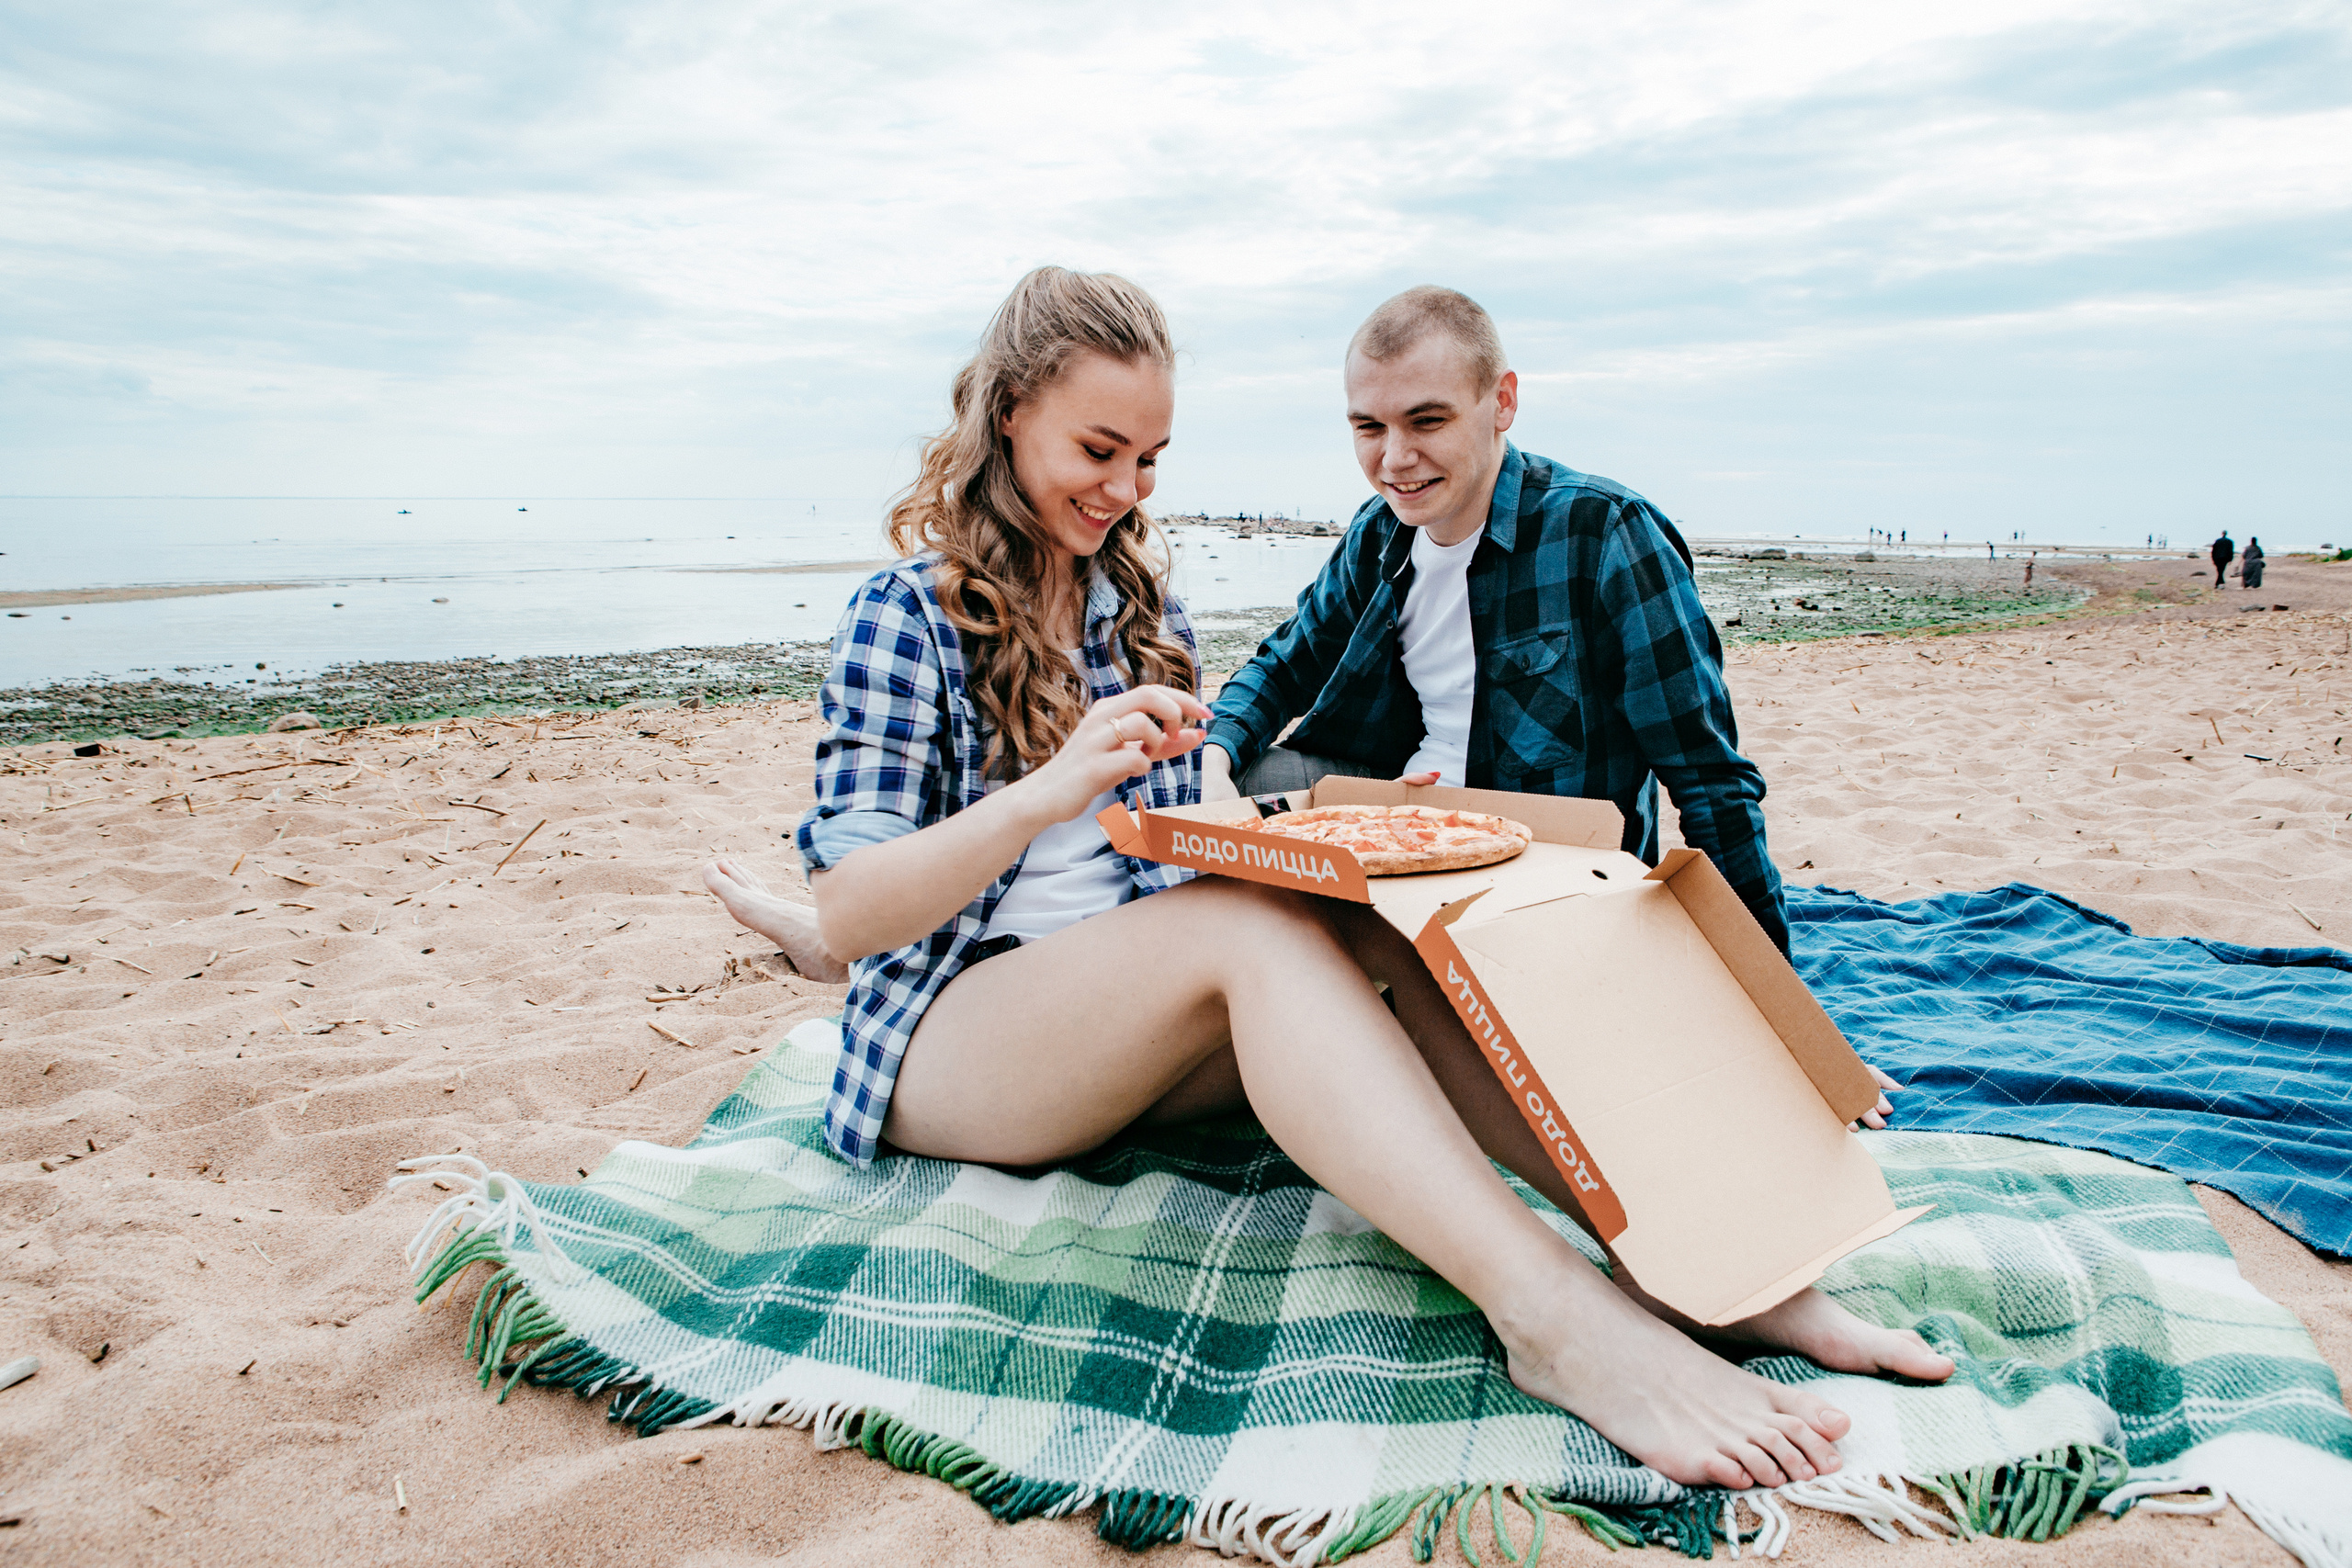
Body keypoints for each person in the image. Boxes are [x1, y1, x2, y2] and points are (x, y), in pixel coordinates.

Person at [701, 267, 1950, 1492]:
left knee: (1390, 931)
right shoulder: (904, 616)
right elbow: (855, 913)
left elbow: (1193, 831)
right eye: (1099, 449)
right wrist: (1051, 782)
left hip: (1124, 1035)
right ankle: (1553, 1317)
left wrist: (1337, 827)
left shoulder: (1137, 605)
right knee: (1246, 938)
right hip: (954, 1040)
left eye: (1150, 458)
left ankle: (1717, 1267)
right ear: (1011, 410)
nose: (1126, 490)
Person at [1204, 287, 1795, 950]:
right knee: (1216, 790)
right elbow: (1285, 664)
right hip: (1406, 822)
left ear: (1502, 402)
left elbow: (1708, 779)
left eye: (1426, 421)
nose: (1394, 459)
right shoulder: (1379, 534)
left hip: (1548, 871)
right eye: (1369, 427)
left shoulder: (1604, 534)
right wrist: (1216, 753)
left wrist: (1770, 984)